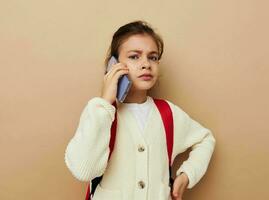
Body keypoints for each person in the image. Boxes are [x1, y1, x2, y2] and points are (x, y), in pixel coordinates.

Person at [64, 20, 216, 200]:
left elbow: (205, 139)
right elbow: (83, 171)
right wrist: (105, 102)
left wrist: (187, 175)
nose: (146, 64)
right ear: (113, 65)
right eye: (134, 56)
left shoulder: (168, 113)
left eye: (152, 57)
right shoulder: (100, 112)